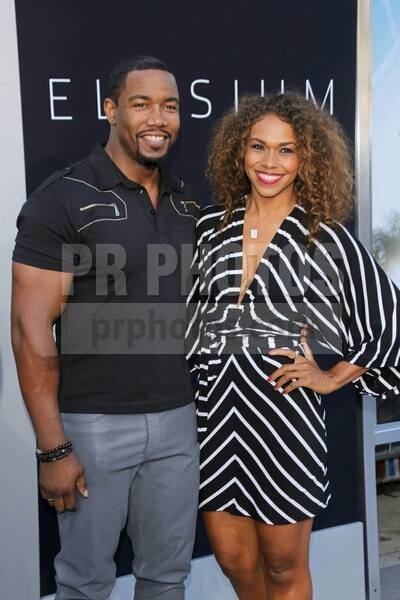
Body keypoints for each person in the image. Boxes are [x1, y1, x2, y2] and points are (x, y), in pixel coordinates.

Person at [185, 92, 400, 600]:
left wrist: (329, 376)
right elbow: (190, 322)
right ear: (240, 152)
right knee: (235, 562)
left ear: (307, 159)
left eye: (287, 150)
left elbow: (386, 322)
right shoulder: (209, 231)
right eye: (259, 147)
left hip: (285, 425)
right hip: (215, 423)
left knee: (283, 568)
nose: (270, 163)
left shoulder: (325, 239)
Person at [11, 56, 200, 600]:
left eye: (170, 106)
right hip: (92, 427)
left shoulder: (188, 203)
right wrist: (53, 448)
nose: (158, 118)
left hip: (177, 420)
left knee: (167, 578)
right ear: (111, 109)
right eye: (141, 104)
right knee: (85, 583)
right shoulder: (62, 199)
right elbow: (29, 330)